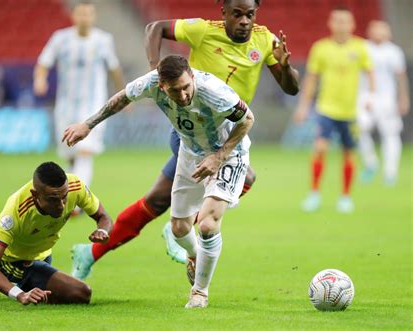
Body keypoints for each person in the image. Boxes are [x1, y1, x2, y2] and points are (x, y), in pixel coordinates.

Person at [70, 0, 299, 280]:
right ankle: (187, 222)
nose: (243, 21)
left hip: (228, 131)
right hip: (190, 127)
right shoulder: (202, 30)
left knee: (155, 201)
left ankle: (91, 254)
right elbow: (155, 28)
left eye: (249, 15)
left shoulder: (266, 40)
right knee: (245, 177)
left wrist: (286, 68)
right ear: (223, 13)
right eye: (237, 14)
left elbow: (291, 88)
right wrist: (156, 73)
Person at [63, 55, 254, 308]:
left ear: (192, 77)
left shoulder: (214, 92)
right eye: (175, 90)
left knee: (207, 225)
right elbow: (121, 98)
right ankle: (195, 255)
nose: (184, 95)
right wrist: (88, 125)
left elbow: (247, 119)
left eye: (187, 87)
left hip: (228, 155)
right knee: (179, 229)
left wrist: (219, 157)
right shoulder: (150, 83)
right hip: (190, 152)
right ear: (162, 86)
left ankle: (199, 293)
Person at [0, 162, 113, 305]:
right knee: (81, 294)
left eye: (64, 197)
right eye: (53, 199)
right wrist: (19, 294)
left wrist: (102, 230)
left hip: (43, 255)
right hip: (16, 263)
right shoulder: (15, 211)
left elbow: (103, 216)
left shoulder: (75, 185)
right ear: (35, 194)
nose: (61, 206)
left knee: (53, 291)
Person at [34, 1, 125, 191]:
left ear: (94, 17)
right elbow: (43, 62)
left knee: (85, 150)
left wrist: (123, 95)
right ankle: (69, 191)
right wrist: (40, 80)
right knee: (70, 153)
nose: (84, 18)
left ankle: (77, 198)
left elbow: (114, 69)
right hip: (66, 104)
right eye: (81, 14)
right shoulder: (60, 38)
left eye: (88, 14)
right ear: (74, 16)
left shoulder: (103, 40)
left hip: (94, 104)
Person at [294, 6, 374, 213]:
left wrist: (370, 98)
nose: (341, 25)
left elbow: (370, 74)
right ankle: (314, 193)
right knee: (320, 148)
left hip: (350, 111)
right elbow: (311, 79)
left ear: (352, 24)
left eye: (345, 21)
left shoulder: (361, 47)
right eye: (337, 21)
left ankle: (345, 197)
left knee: (349, 153)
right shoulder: (320, 48)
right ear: (330, 23)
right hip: (326, 108)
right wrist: (303, 107)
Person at [357, 20, 410, 186]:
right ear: (369, 31)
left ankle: (390, 172)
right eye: (375, 29)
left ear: (389, 33)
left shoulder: (394, 52)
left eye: (382, 30)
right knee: (358, 129)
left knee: (391, 134)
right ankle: (370, 163)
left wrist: (403, 98)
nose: (379, 33)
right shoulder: (362, 48)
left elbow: (401, 78)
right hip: (365, 95)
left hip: (387, 98)